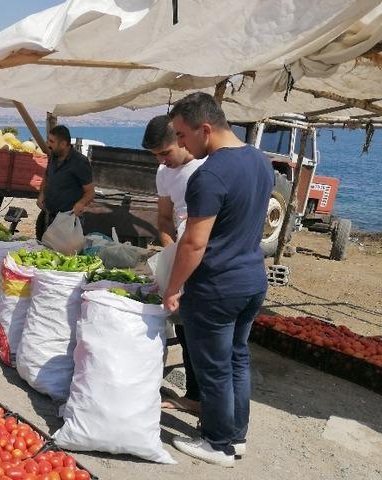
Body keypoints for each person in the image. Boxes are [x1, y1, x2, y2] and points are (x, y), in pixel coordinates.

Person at [163, 92, 273, 467]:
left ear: (205, 129)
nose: (179, 142)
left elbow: (194, 242)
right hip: (252, 279)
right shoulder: (260, 161)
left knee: (213, 366)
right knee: (237, 359)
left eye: (181, 134)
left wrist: (173, 286)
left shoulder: (208, 175)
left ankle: (218, 443)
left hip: (217, 286)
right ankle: (235, 437)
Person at [142, 115, 206, 415]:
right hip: (180, 256)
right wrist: (170, 256)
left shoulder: (204, 168)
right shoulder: (164, 173)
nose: (162, 160)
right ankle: (193, 395)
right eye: (156, 155)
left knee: (201, 333)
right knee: (182, 327)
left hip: (203, 256)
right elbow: (166, 219)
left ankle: (204, 402)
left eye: (165, 152)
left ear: (181, 139)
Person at [35, 125, 94, 240]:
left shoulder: (80, 162)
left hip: (69, 220)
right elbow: (47, 177)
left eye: (52, 141)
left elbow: (90, 192)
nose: (48, 145)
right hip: (50, 216)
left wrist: (80, 204)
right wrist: (41, 195)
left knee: (66, 255)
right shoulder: (53, 156)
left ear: (63, 144)